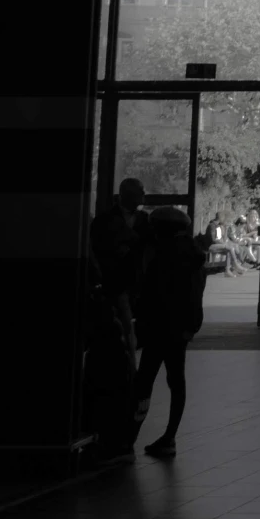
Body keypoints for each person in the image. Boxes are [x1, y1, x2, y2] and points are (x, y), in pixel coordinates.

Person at [133, 205, 207, 458]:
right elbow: (195, 294)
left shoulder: (165, 255)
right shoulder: (193, 254)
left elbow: (153, 293)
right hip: (180, 329)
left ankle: (130, 434)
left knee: (144, 381)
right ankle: (169, 436)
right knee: (176, 381)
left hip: (159, 328)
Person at [85, 177, 148, 463]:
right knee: (119, 333)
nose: (143, 196)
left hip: (132, 290)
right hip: (116, 288)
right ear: (125, 195)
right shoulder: (107, 223)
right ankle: (126, 372)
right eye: (138, 193)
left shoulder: (139, 221)